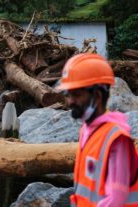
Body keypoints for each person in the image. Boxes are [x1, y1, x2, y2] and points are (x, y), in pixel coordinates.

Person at [56, 53, 138, 207]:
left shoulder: (116, 139)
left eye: (77, 95)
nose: (70, 101)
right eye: (68, 95)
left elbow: (116, 199)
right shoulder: (87, 130)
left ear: (98, 96)